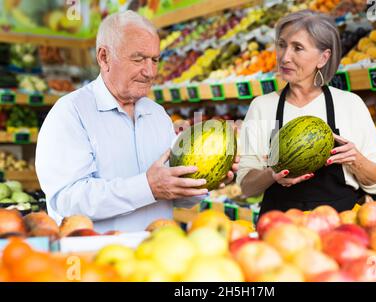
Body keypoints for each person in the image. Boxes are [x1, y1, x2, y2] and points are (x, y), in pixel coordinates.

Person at [35, 11, 237, 232]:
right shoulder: (71, 113)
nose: (150, 72)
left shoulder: (157, 115)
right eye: (138, 59)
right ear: (104, 57)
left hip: (158, 254)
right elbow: (67, 200)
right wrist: (147, 187)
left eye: (155, 60)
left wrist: (206, 182)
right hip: (95, 257)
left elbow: (174, 194)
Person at [237, 10, 376, 215]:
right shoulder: (261, 107)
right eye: (281, 45)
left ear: (323, 58)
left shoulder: (350, 104)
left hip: (340, 226)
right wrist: (272, 174)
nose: (285, 57)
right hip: (280, 229)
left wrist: (356, 160)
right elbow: (245, 187)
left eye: (297, 48)